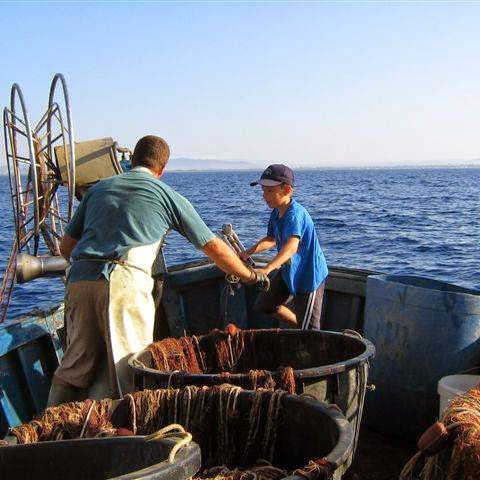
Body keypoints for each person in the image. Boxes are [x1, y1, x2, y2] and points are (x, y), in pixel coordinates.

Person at [47, 135, 268, 406]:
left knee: (74, 366)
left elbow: (66, 247)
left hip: (79, 281)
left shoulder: (98, 190)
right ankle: (123, 439)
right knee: (129, 367)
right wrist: (250, 275)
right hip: (123, 283)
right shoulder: (166, 195)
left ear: (131, 161)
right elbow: (214, 247)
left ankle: (50, 430)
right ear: (162, 169)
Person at [240, 164, 328, 330]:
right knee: (263, 305)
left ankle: (306, 329)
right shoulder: (276, 211)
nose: (264, 196)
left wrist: (267, 269)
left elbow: (291, 247)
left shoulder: (295, 214)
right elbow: (271, 239)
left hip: (309, 276)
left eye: (270, 191)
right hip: (289, 271)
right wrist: (247, 252)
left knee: (311, 332)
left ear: (287, 190)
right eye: (263, 190)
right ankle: (299, 323)